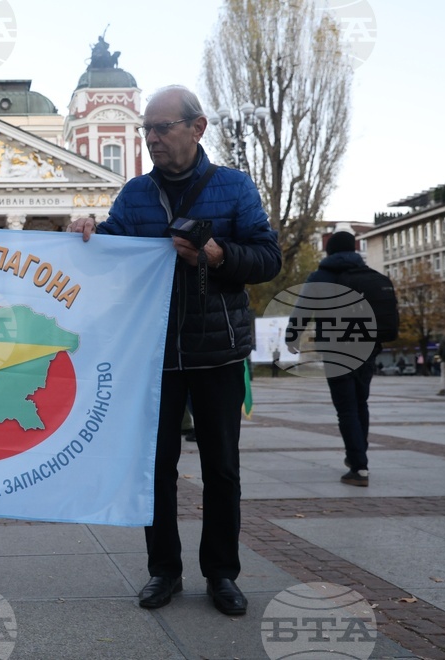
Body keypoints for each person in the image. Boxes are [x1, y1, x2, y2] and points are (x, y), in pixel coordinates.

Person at [68, 85, 281, 616]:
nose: (152, 138)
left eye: (162, 127)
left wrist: (217, 254)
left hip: (219, 352)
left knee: (222, 470)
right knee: (155, 467)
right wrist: (89, 232)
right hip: (153, 355)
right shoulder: (136, 193)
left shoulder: (233, 188)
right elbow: (113, 252)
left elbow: (267, 257)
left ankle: (222, 574)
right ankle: (163, 570)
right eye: (147, 129)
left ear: (197, 127)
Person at [288, 231, 397, 488]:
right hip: (368, 347)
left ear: (329, 251)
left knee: (346, 408)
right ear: (354, 249)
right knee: (361, 404)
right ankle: (357, 455)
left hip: (336, 349)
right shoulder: (370, 275)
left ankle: (359, 467)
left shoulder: (321, 276)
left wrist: (292, 339)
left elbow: (302, 309)